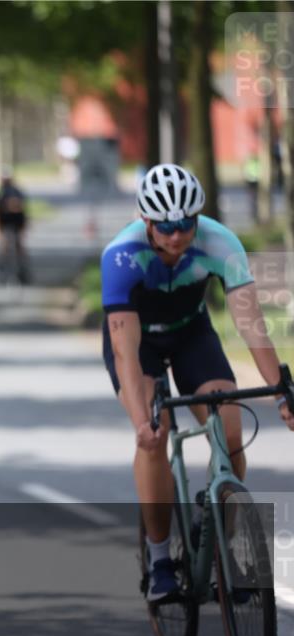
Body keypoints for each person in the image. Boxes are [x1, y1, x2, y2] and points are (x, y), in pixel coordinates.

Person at [101, 164, 294, 601]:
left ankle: (220, 547)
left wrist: (282, 390)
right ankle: (159, 561)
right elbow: (124, 353)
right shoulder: (121, 256)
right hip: (139, 342)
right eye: (165, 226)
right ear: (147, 221)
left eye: (185, 224)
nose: (176, 235)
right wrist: (140, 420)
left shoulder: (220, 242)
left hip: (191, 332)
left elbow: (251, 325)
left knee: (229, 430)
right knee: (154, 437)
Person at [0, 169, 30, 284]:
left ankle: (22, 269)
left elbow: (23, 210)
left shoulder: (16, 192)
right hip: (6, 222)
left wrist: (24, 226)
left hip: (16, 222)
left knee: (17, 246)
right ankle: (4, 268)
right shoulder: (0, 194)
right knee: (6, 246)